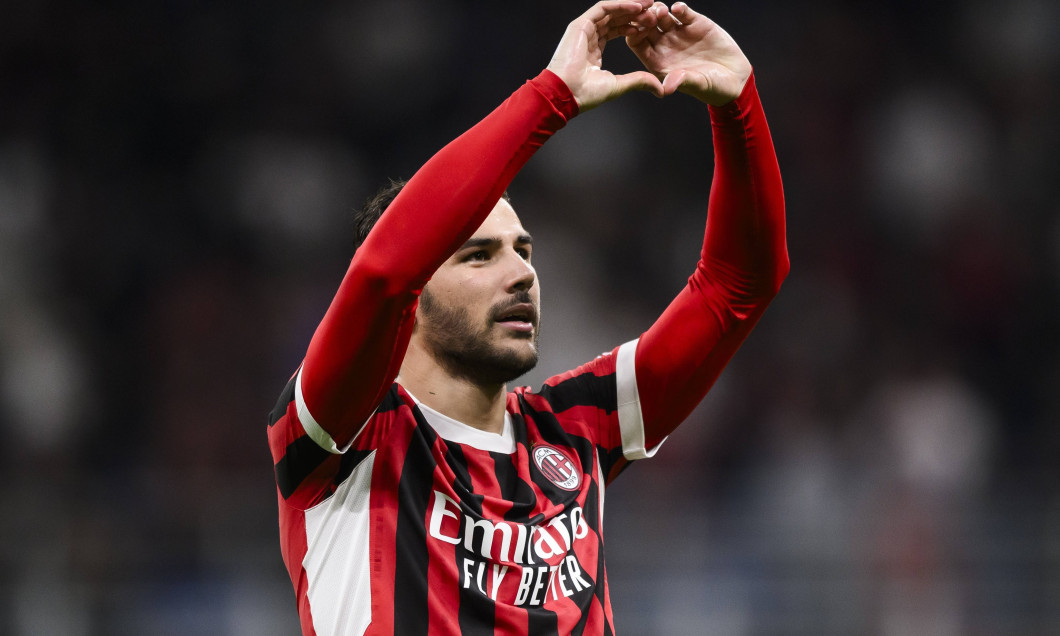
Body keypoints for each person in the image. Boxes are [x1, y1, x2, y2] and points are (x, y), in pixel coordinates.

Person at [267, 1, 788, 633]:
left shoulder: (575, 430)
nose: (521, 274)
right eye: (478, 255)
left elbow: (739, 285)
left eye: (525, 251)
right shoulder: (344, 437)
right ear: (412, 302)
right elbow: (384, 272)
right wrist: (552, 97)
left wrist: (738, 106)